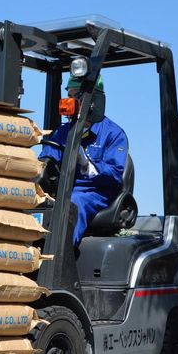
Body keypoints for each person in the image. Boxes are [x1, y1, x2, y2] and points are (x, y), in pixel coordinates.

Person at [38, 75, 128, 246]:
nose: (70, 102)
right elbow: (47, 160)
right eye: (69, 96)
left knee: (72, 204)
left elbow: (114, 174)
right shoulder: (63, 132)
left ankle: (58, 259)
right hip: (63, 189)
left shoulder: (113, 134)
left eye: (75, 97)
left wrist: (85, 163)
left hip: (94, 192)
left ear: (93, 101)